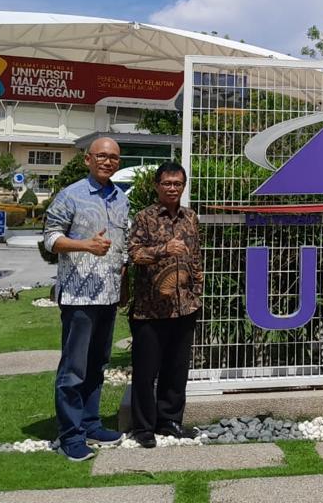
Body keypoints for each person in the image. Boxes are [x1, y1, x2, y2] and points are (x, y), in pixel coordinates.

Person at [44, 137, 129, 461]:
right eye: (102, 156)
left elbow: (122, 244)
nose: (108, 161)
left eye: (114, 157)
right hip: (79, 295)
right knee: (74, 369)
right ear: (88, 160)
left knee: (97, 365)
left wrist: (123, 283)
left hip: (108, 294)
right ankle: (71, 434)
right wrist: (85, 246)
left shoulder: (121, 199)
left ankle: (91, 424)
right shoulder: (71, 195)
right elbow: (50, 238)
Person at [127, 161, 204, 448]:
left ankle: (169, 421)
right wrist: (164, 250)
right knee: (146, 371)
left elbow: (196, 256)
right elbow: (134, 254)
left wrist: (197, 291)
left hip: (185, 306)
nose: (173, 188)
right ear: (157, 186)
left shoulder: (190, 217)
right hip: (150, 309)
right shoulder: (144, 217)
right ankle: (143, 427)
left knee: (176, 369)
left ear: (183, 186)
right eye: (167, 183)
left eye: (177, 184)